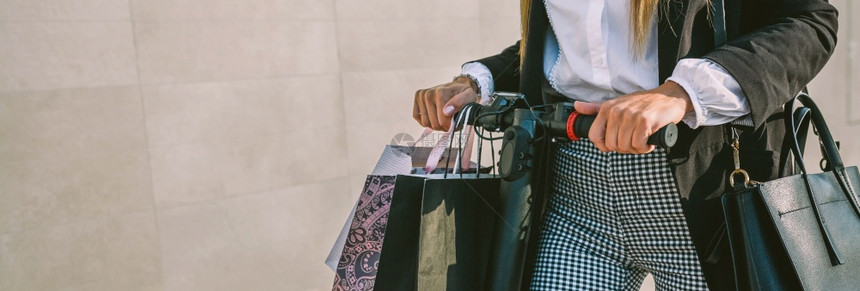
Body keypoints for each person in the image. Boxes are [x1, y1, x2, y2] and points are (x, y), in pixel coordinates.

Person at [412, 0, 838, 290]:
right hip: (576, 199)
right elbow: (568, 53)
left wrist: (681, 92)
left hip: (703, 195)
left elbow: (809, 23)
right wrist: (478, 80)